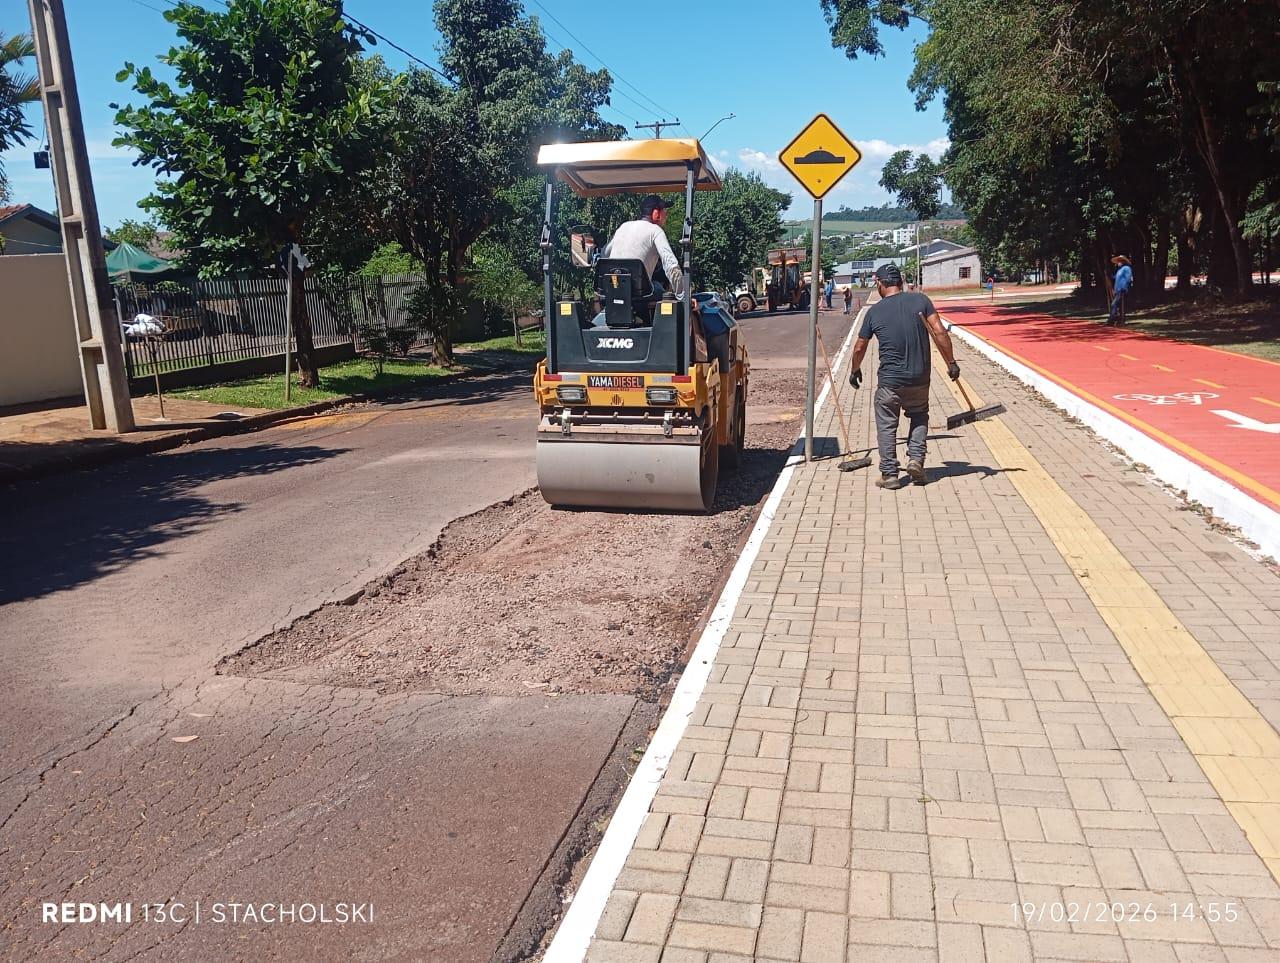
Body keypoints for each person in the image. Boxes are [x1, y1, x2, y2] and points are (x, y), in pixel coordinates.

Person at [848, 263, 960, 489]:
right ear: (899, 281)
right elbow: (939, 331)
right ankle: (916, 460)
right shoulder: (921, 301)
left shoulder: (874, 312)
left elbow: (860, 346)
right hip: (920, 378)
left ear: (880, 283)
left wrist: (854, 369)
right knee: (919, 416)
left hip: (890, 382)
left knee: (887, 424)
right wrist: (952, 363)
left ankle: (890, 475)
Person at [600, 194, 685, 299]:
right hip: (639, 294)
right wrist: (684, 296)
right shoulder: (656, 231)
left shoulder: (623, 226)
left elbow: (604, 254)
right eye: (665, 213)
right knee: (658, 288)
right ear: (656, 214)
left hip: (613, 290)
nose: (666, 216)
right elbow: (671, 266)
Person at [1108, 254, 1132, 326]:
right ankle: (1119, 320)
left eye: (1119, 261)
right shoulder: (1119, 270)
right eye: (1118, 261)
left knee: (1114, 304)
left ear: (1123, 261)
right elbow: (1115, 277)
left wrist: (1124, 287)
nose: (1118, 262)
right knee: (1118, 306)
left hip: (1122, 289)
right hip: (1117, 290)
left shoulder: (1126, 268)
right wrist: (1109, 275)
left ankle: (1112, 319)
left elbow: (1128, 279)